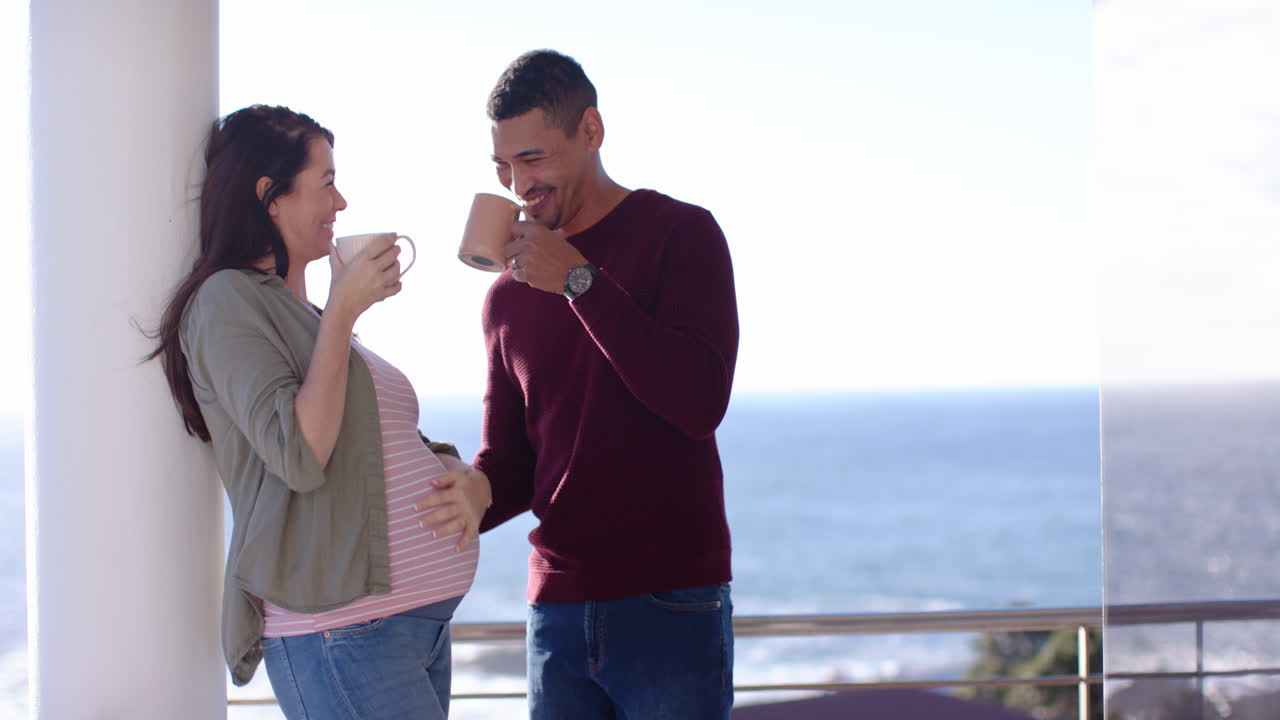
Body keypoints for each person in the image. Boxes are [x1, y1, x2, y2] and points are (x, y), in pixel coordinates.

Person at [146, 104, 491, 719]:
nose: (342, 203)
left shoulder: (301, 314)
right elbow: (301, 453)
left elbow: (373, 439)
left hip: (404, 629)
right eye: (327, 182)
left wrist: (460, 472)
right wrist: (344, 310)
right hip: (345, 636)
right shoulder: (227, 300)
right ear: (270, 196)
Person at [469, 49, 740, 718]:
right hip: (555, 612)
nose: (517, 184)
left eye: (532, 159)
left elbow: (698, 402)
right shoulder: (506, 297)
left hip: (669, 599)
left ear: (590, 130)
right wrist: (450, 490)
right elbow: (513, 468)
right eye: (503, 167)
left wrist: (579, 282)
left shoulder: (682, 235)